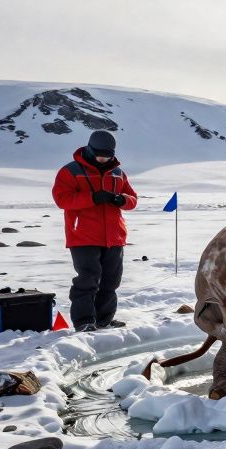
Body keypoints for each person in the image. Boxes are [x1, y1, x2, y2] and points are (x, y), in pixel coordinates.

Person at [51, 130, 137, 331]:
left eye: (107, 156)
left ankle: (104, 320)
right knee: (88, 280)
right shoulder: (70, 171)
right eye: (99, 155)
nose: (103, 159)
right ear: (90, 150)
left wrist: (121, 199)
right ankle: (84, 322)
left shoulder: (118, 173)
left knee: (110, 281)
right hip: (83, 236)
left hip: (114, 236)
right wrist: (92, 197)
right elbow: (61, 199)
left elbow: (132, 199)